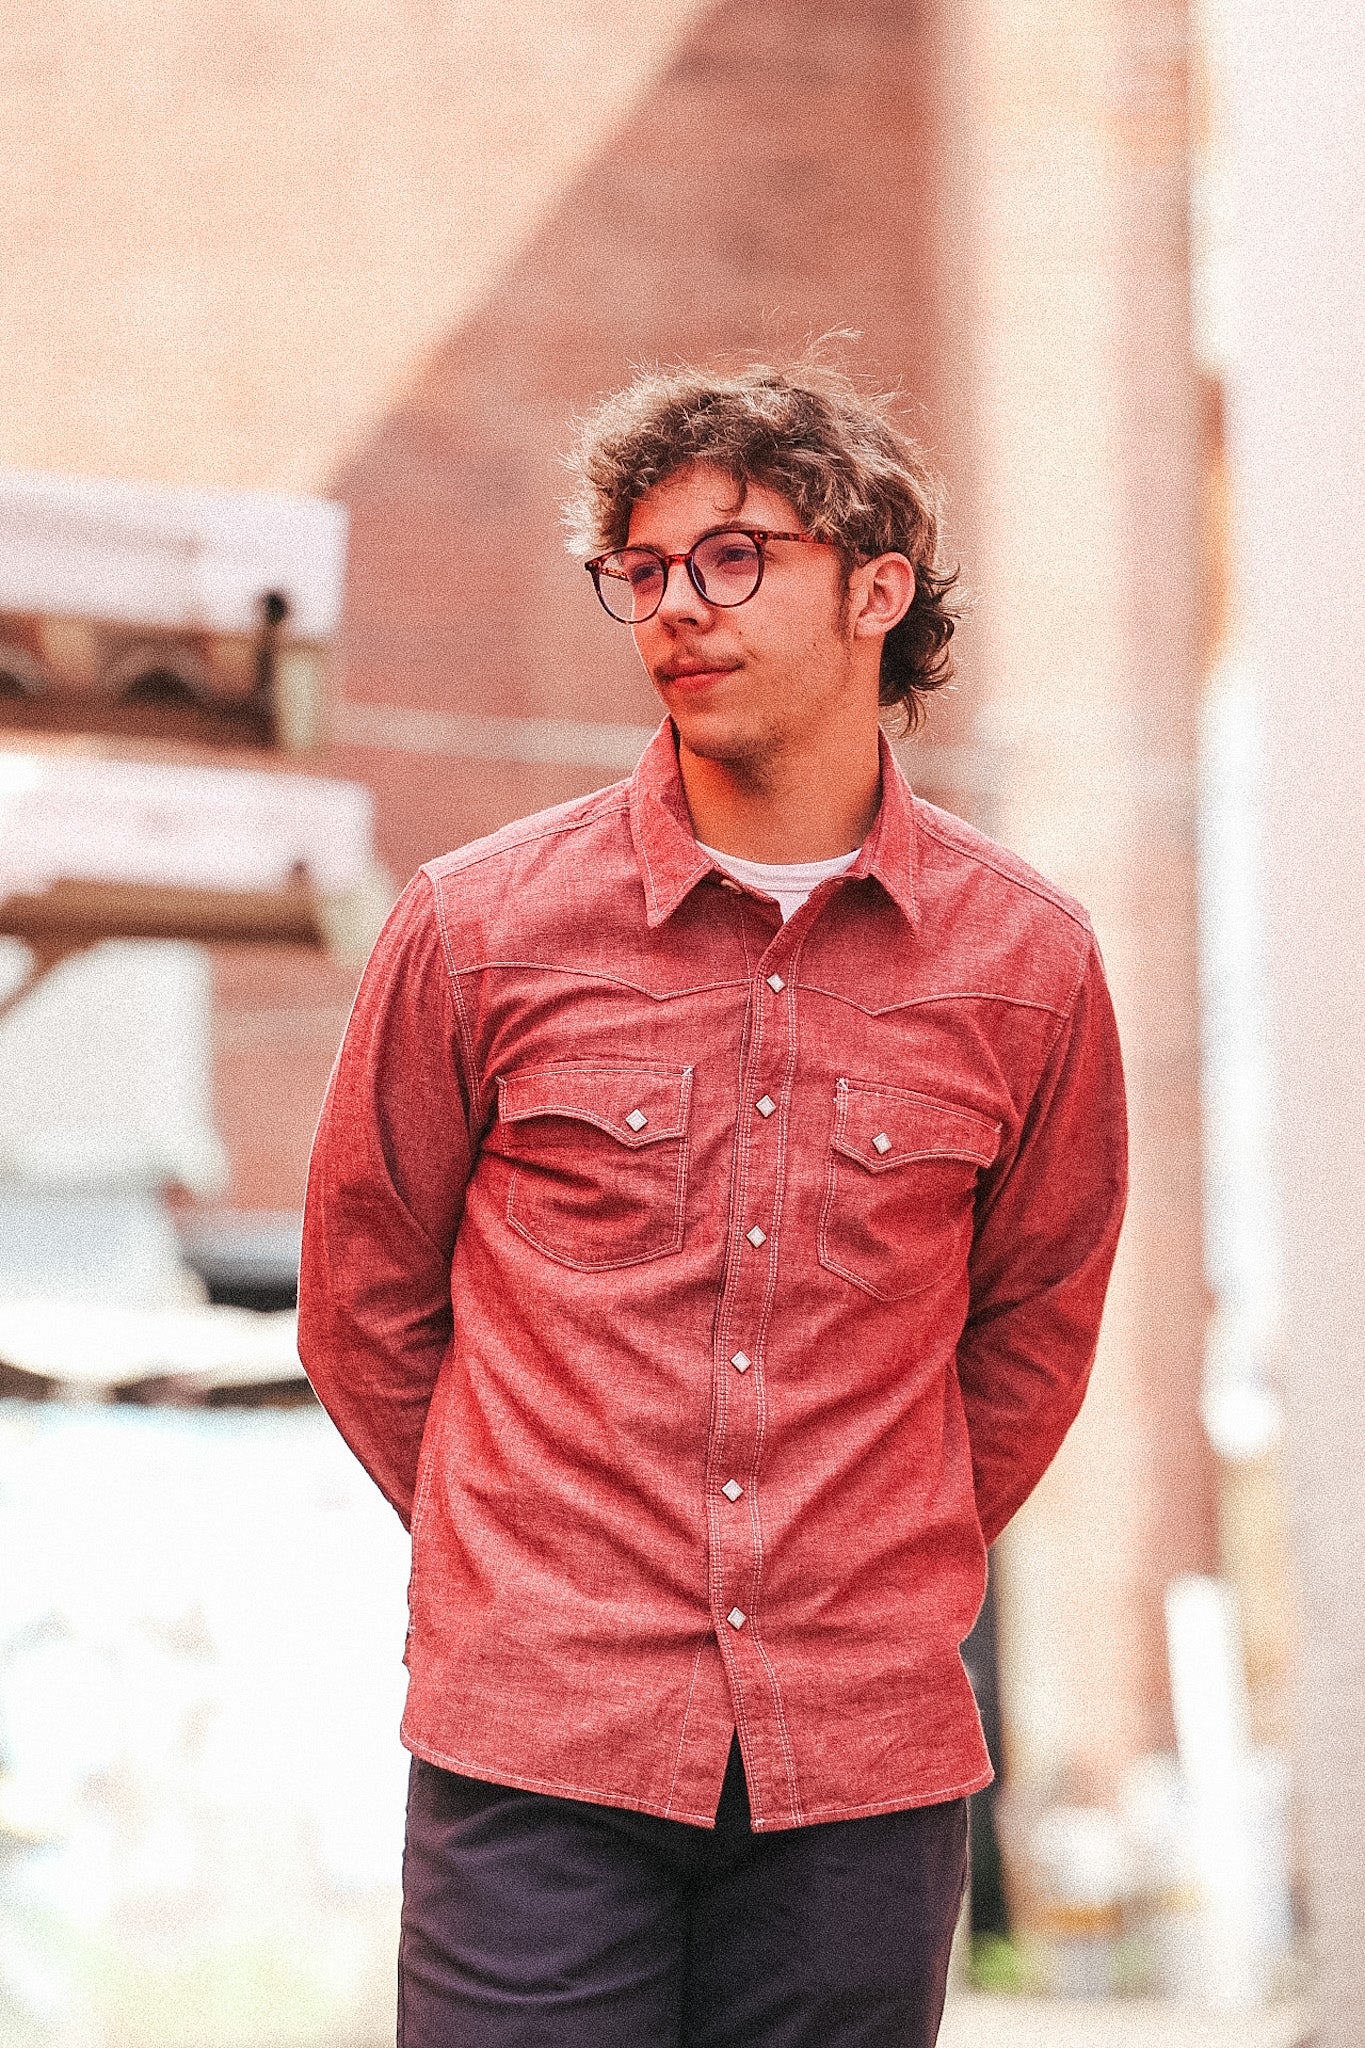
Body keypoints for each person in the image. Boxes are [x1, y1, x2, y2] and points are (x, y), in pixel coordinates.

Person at [298, 359, 1128, 2048]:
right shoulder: (476, 927)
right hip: (536, 1748)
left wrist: (880, 1557)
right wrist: (519, 1548)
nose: (676, 605)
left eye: (735, 556)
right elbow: (361, 1299)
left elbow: (1033, 1327)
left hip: (859, 1765)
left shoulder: (1026, 965)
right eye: (643, 569)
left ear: (876, 589)